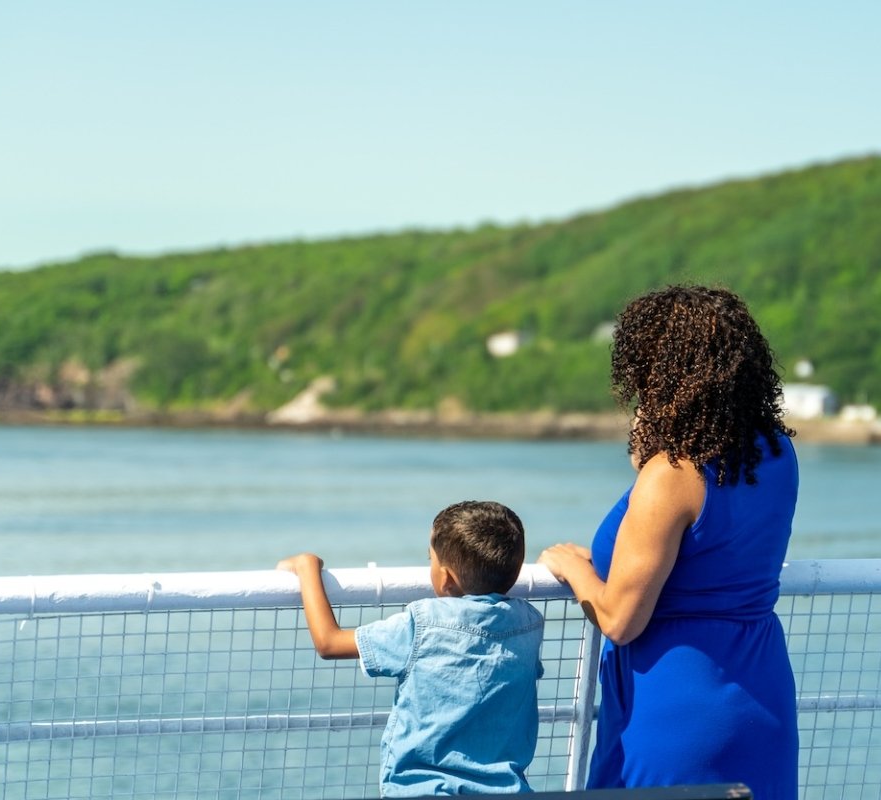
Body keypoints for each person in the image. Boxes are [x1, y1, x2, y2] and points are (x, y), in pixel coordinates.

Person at [539, 285, 800, 799]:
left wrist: (575, 570)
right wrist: (651, 458)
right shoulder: (776, 453)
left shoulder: (672, 473)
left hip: (675, 706)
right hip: (760, 690)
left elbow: (619, 620)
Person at [277, 500, 545, 797]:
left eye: (430, 558)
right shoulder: (529, 624)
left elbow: (328, 642)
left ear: (445, 578)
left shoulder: (423, 625)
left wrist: (307, 569)